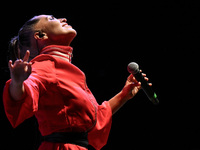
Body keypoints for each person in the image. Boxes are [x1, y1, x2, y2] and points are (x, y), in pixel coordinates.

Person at [3, 15, 151, 150]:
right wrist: (17, 82)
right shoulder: (43, 66)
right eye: (52, 18)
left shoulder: (66, 69)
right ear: (41, 35)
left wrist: (124, 94)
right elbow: (24, 94)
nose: (63, 19)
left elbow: (95, 119)